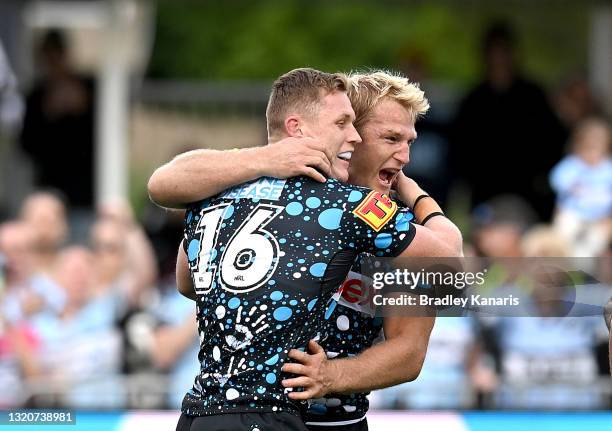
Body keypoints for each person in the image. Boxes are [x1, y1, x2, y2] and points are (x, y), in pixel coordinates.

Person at [149, 69, 462, 430]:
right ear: (351, 136)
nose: (405, 155)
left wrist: (332, 376)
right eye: (391, 138)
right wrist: (264, 160)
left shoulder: (400, 229)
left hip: (332, 421)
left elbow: (409, 353)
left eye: (410, 141)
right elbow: (186, 276)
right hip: (260, 413)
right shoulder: (273, 188)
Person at [453, 21, 567, 221]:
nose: (499, 60)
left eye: (503, 52)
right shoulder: (473, 101)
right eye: (494, 53)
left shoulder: (533, 96)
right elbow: (461, 148)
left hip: (529, 195)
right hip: (485, 193)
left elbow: (552, 141)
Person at [550, 117, 612, 257]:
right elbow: (557, 180)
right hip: (573, 213)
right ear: (578, 148)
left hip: (599, 217)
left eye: (597, 149)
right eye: (588, 148)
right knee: (564, 234)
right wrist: (571, 186)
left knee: (595, 242)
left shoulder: (608, 168)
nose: (592, 154)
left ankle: (582, 265)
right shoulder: (573, 165)